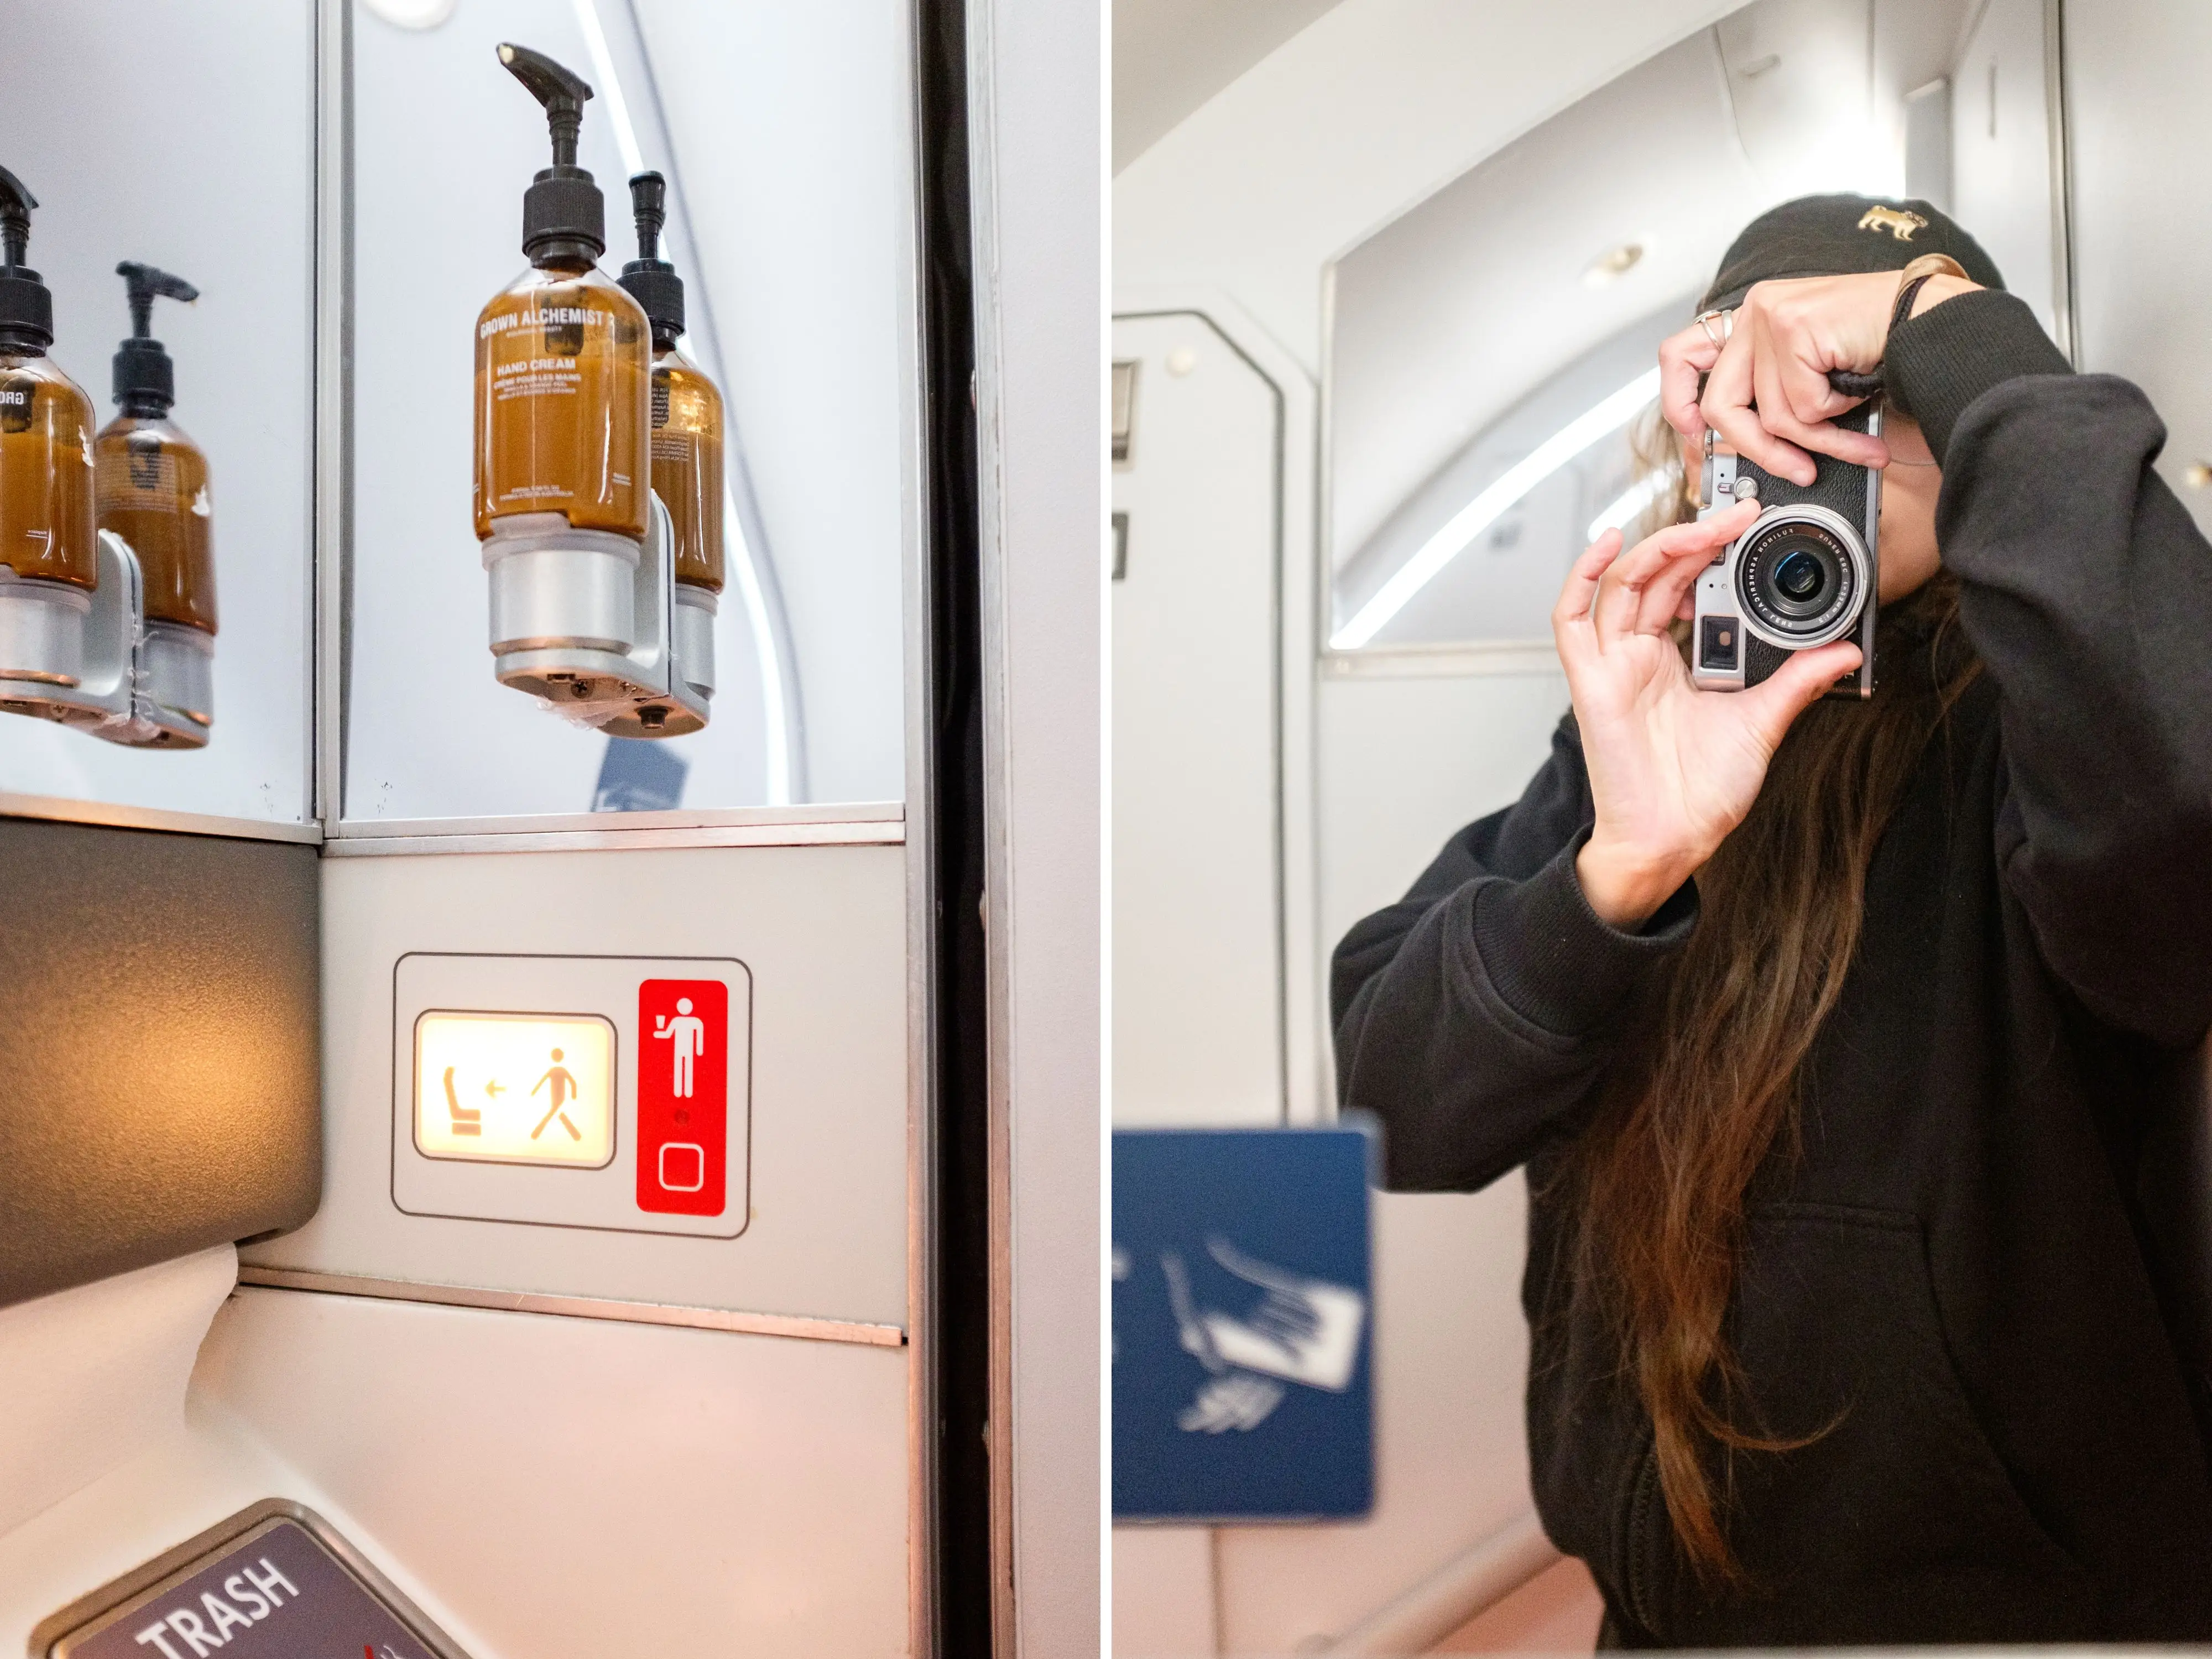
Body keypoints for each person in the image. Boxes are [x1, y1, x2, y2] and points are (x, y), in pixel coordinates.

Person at [1332, 194, 2212, 1644]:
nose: (1834, 454)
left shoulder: (2058, 732)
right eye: (1776, 406)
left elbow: (2182, 812)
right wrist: (1613, 879)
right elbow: (1393, 1107)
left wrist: (1944, 328)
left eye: (1878, 399)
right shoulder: (1645, 727)